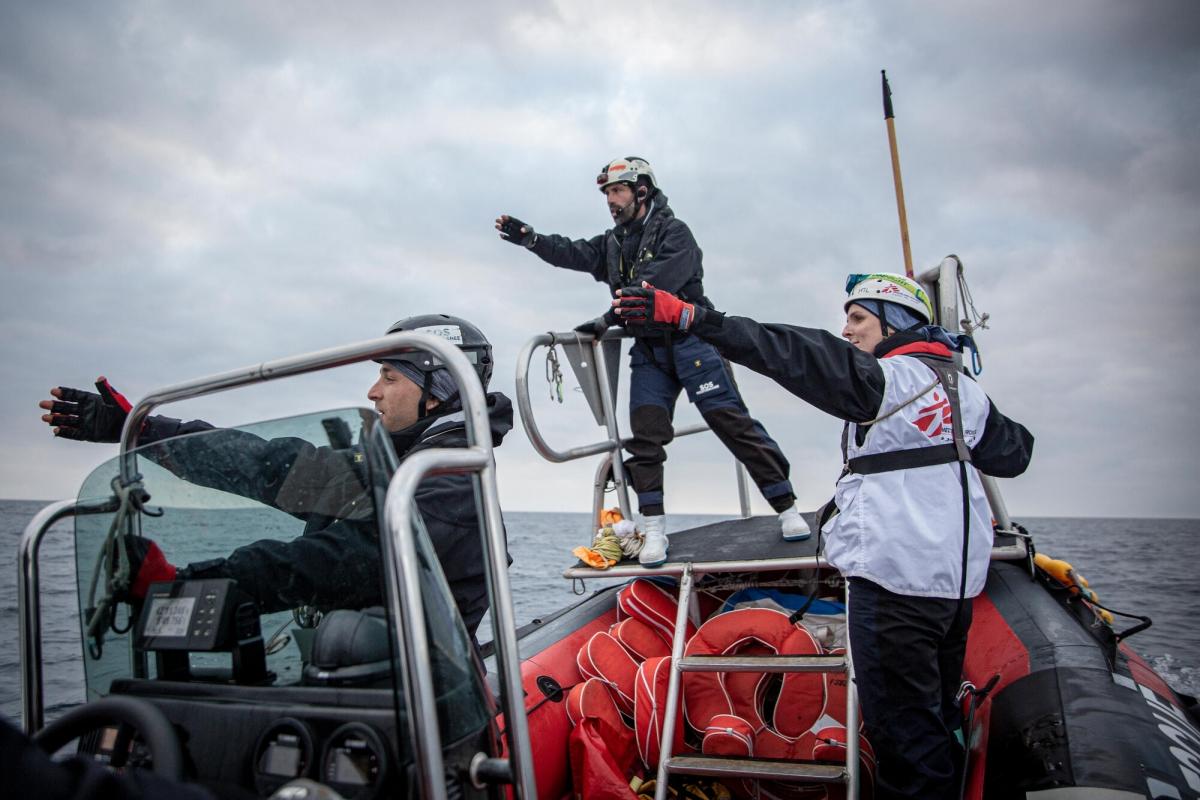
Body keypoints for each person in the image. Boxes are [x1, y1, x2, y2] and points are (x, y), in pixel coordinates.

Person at [613, 274, 1034, 799]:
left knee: (903, 738)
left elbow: (787, 351)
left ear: (894, 321)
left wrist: (691, 317)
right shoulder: (964, 390)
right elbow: (1015, 453)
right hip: (953, 589)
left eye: (858, 318)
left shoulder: (888, 379)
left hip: (895, 586)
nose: (847, 329)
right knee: (935, 714)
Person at [39, 314, 512, 643]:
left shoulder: (452, 484)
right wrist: (144, 431)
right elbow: (268, 465)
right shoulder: (395, 464)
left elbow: (339, 560)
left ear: (436, 391)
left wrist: (186, 584)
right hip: (360, 670)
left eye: (389, 377)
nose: (372, 391)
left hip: (424, 706)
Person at [496, 156, 807, 567]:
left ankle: (786, 507)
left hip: (691, 341)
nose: (610, 199)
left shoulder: (676, 234)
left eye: (617, 190)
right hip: (649, 351)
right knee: (645, 437)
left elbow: (653, 286)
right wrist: (531, 239)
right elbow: (572, 252)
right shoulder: (612, 242)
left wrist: (606, 320)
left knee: (730, 421)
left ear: (641, 190)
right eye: (607, 192)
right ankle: (654, 528)